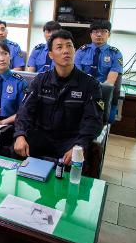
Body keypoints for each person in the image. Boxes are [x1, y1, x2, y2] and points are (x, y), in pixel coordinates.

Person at [13, 30, 104, 165]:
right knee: (17, 150)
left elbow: (93, 120)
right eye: (59, 47)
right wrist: (20, 135)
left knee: (79, 160)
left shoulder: (90, 85)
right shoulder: (40, 80)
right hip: (41, 136)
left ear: (75, 50)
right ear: (51, 55)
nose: (65, 51)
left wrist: (79, 146)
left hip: (71, 140)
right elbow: (25, 111)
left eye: (69, 46)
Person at [74, 20, 123, 121]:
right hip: (83, 91)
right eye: (95, 31)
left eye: (103, 31)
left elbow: (110, 81)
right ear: (91, 34)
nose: (99, 34)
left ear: (108, 34)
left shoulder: (115, 54)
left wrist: (96, 94)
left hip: (103, 93)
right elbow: (77, 76)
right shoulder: (81, 51)